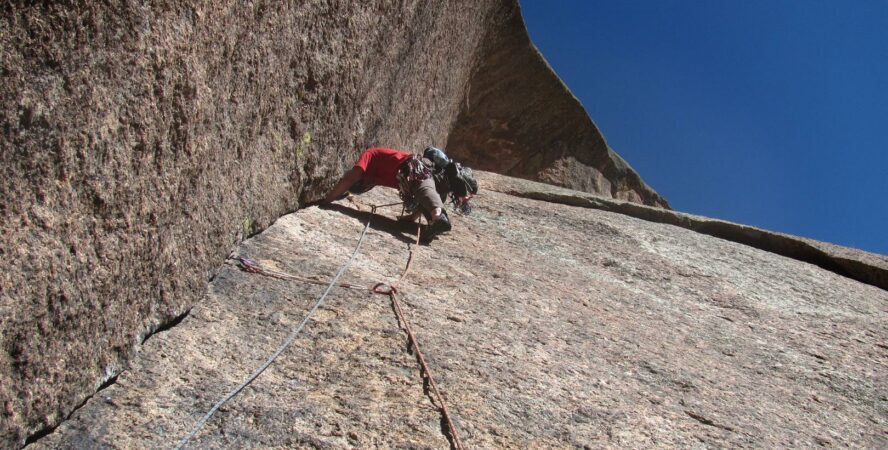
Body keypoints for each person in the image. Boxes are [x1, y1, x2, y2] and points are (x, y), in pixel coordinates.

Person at [323, 147, 453, 241]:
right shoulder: (376, 177)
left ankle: (438, 216)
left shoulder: (369, 156)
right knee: (420, 189)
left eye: (363, 184)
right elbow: (418, 194)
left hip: (412, 165)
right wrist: (412, 217)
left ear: (361, 179)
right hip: (411, 172)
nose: (367, 185)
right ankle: (436, 221)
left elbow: (349, 178)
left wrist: (327, 200)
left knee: (422, 185)